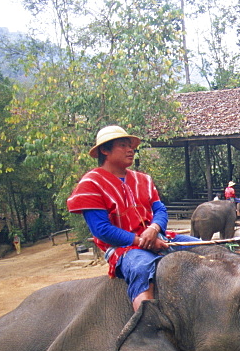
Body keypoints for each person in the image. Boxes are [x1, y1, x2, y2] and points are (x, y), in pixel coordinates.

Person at [67, 125, 200, 312]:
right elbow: (102, 230)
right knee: (142, 267)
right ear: (105, 150)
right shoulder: (91, 184)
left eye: (131, 146)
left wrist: (154, 229)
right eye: (123, 145)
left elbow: (160, 210)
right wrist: (142, 241)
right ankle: (147, 327)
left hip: (160, 236)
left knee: (204, 247)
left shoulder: (143, 179)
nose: (131, 150)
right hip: (123, 249)